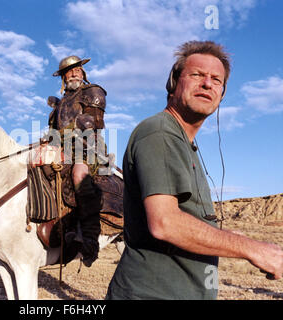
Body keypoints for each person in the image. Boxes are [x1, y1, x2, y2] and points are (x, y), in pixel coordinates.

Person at [106, 40, 283, 299]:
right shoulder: (159, 133)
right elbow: (165, 223)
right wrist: (252, 248)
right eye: (197, 75)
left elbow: (186, 220)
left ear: (222, 94)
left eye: (216, 80)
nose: (207, 84)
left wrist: (230, 237)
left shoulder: (183, 142)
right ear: (174, 83)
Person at [47, 55, 107, 267]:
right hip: (64, 150)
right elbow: (53, 132)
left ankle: (90, 239)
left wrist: (61, 136)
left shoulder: (93, 92)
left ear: (83, 73)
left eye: (77, 70)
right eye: (69, 71)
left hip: (89, 148)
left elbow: (92, 123)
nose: (74, 73)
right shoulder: (60, 104)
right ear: (63, 77)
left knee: (78, 174)